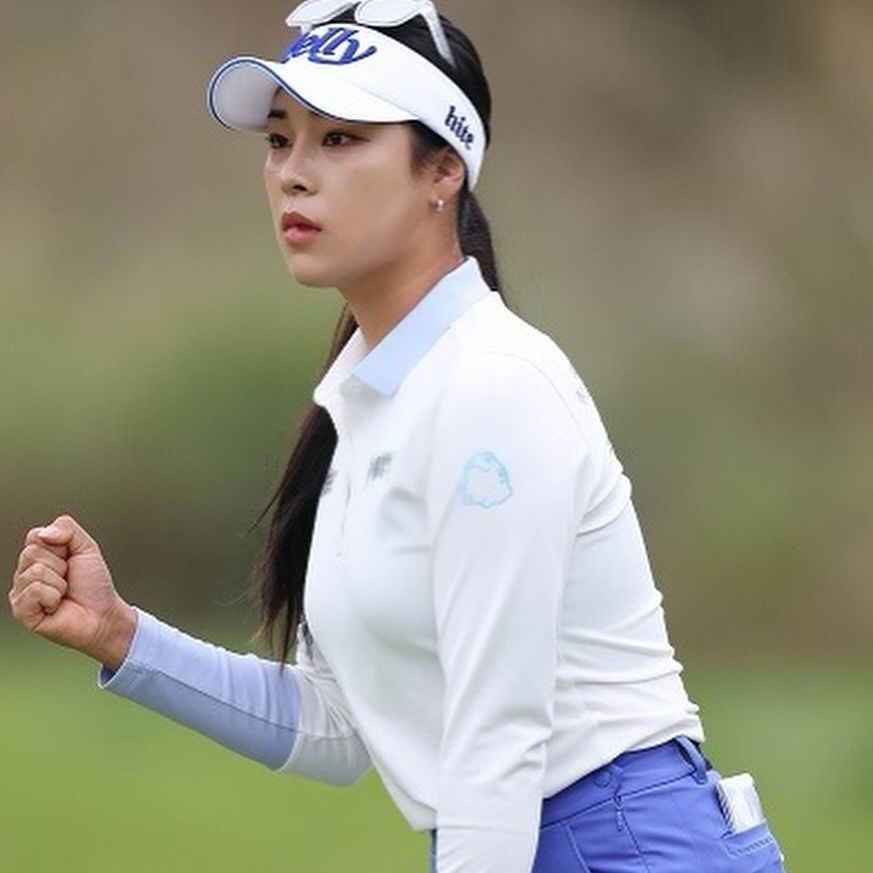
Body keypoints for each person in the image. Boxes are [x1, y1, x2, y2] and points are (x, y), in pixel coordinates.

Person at [8, 3, 787, 872]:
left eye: (340, 139)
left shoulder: (491, 384)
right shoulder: (369, 400)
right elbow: (337, 725)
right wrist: (121, 635)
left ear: (442, 168)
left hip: (622, 843)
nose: (293, 174)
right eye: (280, 141)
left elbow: (497, 742)